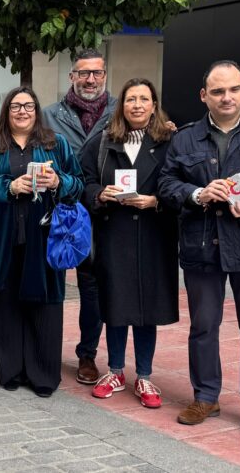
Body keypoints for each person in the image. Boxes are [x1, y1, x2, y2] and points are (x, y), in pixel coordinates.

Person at [159, 61, 240, 442]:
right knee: (204, 327)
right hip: (202, 245)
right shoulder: (186, 138)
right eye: (217, 91)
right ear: (203, 95)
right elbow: (166, 184)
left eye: (233, 90)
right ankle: (205, 397)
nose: (226, 97)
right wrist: (196, 194)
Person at [0, 86, 84, 397]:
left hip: (44, 237)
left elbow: (78, 182)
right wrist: (9, 186)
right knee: (4, 303)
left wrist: (59, 181)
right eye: (16, 106)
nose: (22, 112)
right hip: (1, 237)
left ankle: (43, 374)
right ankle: (12, 371)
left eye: (28, 106)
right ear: (7, 111)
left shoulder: (55, 143)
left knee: (43, 304)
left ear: (36, 110)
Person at [79, 79, 178, 409]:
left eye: (144, 99)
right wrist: (98, 194)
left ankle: (145, 376)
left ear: (154, 104)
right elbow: (85, 179)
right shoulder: (104, 140)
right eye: (130, 98)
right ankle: (116, 371)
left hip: (153, 235)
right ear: (121, 105)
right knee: (116, 306)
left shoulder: (169, 141)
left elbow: (179, 182)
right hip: (114, 234)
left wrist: (157, 202)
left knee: (147, 308)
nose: (137, 104)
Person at [43, 49, 116, 386]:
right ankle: (42, 349)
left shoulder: (120, 111)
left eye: (97, 73)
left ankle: (87, 354)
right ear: (71, 76)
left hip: (102, 213)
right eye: (83, 73)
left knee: (92, 288)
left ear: (104, 75)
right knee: (50, 282)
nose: (90, 79)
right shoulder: (50, 115)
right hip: (58, 210)